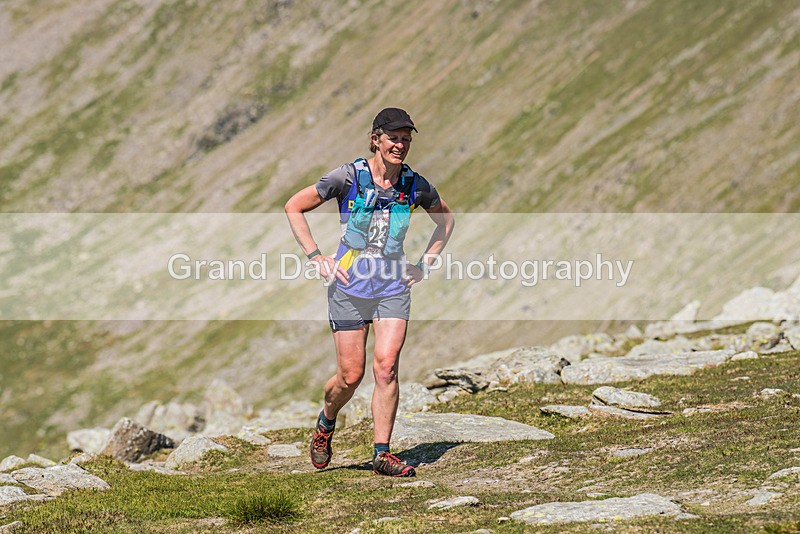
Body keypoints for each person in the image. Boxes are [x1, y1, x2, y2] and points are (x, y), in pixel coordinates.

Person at [284, 107, 454, 476]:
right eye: (394, 138)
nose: (401, 145)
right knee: (350, 375)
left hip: (393, 287)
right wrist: (315, 256)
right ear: (376, 139)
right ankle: (326, 422)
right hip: (349, 286)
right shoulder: (348, 177)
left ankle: (382, 453)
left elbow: (446, 220)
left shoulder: (415, 185)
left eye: (406, 139)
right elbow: (294, 206)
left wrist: (424, 264)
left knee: (387, 367)